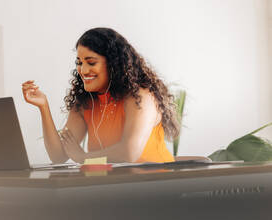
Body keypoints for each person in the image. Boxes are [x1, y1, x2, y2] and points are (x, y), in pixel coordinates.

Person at [22, 27, 179, 164]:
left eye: (91, 63)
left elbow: (129, 152)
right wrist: (43, 106)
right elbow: (59, 156)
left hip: (152, 184)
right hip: (107, 184)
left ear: (113, 64)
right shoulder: (85, 101)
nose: (83, 70)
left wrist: (84, 158)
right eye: (79, 62)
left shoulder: (140, 97)